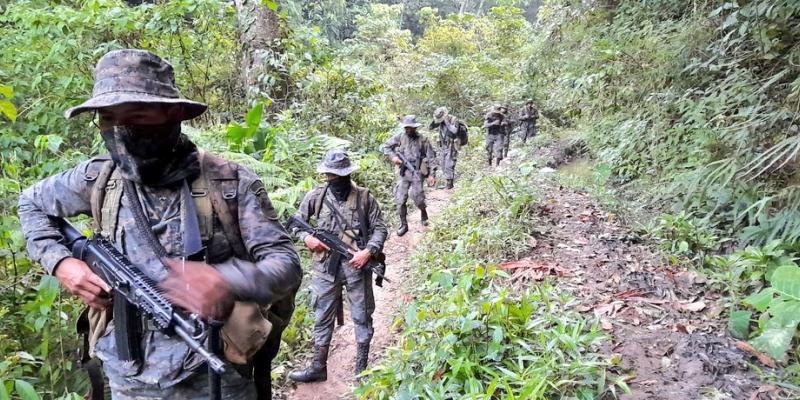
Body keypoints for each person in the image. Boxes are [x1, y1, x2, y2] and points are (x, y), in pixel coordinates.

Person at [17, 49, 302, 399]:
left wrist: (227, 280)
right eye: (107, 117)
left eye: (137, 114)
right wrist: (62, 263)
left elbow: (287, 265)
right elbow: (31, 203)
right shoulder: (97, 178)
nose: (120, 130)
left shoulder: (229, 183)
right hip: (126, 374)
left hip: (215, 370)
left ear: (174, 114)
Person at [287, 149, 388, 383]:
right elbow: (296, 223)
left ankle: (361, 370)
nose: (335, 180)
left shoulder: (364, 197)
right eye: (331, 175)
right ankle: (318, 366)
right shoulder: (316, 196)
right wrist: (307, 238)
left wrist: (368, 252)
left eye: (340, 175)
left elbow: (380, 228)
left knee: (362, 316)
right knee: (322, 315)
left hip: (357, 267)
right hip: (325, 269)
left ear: (348, 174)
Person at [380, 115, 437, 236]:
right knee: (400, 199)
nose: (408, 130)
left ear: (415, 127)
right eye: (406, 127)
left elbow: (431, 157)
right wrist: (393, 157)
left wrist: (432, 174)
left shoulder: (423, 140)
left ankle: (423, 211)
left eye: (410, 127)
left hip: (417, 172)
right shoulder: (400, 137)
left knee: (418, 198)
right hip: (403, 172)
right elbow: (385, 146)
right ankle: (403, 224)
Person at [429, 106, 461, 189]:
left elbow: (454, 131)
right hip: (442, 145)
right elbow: (430, 127)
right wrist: (435, 121)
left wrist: (447, 122)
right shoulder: (440, 122)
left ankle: (449, 184)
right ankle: (449, 182)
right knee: (443, 164)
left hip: (451, 145)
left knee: (449, 164)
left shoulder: (454, 119)